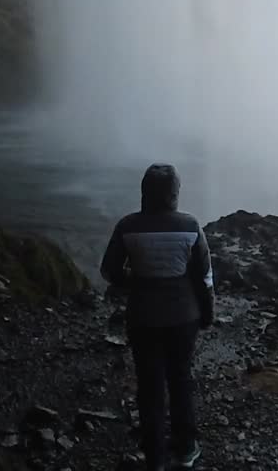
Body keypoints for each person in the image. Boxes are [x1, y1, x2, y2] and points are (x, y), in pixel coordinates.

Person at [101, 163, 214, 471]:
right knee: (180, 378)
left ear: (144, 193)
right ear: (174, 194)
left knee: (149, 385)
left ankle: (155, 458)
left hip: (143, 318)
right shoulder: (190, 226)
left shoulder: (127, 226)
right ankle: (186, 449)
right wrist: (207, 313)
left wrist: (136, 282)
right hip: (184, 318)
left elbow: (109, 271)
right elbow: (203, 277)